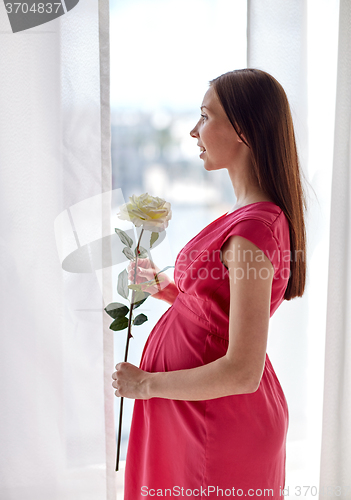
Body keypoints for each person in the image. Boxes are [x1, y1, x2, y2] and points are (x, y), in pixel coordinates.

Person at [112, 68, 307, 499]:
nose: (192, 130)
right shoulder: (246, 216)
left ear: (243, 129)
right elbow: (215, 310)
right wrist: (161, 286)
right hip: (195, 414)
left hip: (214, 423)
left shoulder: (254, 228)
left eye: (204, 116)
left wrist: (146, 384)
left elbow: (242, 371)